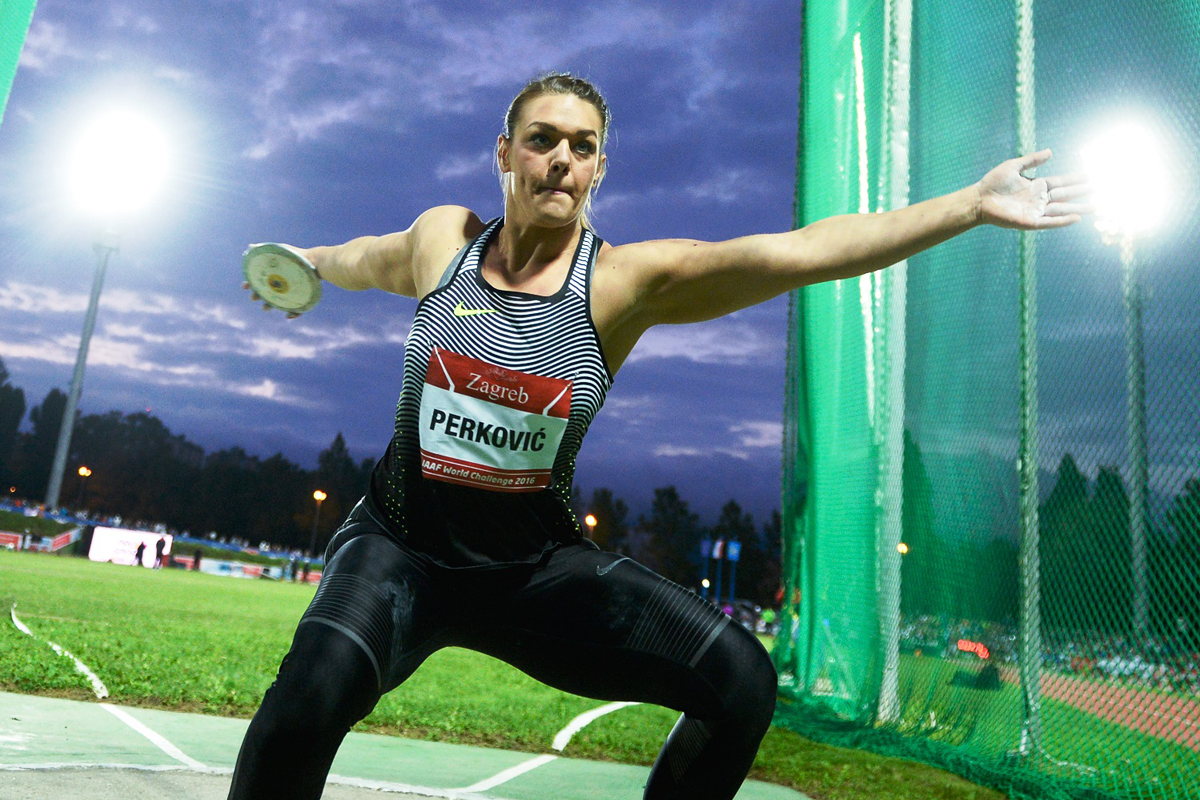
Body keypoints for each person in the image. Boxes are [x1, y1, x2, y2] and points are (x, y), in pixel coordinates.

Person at [229, 73, 1088, 800]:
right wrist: (302, 262)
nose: (561, 157)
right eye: (542, 139)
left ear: (601, 168)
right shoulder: (440, 242)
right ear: (504, 152)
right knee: (305, 702)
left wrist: (970, 205)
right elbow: (363, 257)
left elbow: (804, 251)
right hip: (399, 552)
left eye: (583, 145)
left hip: (530, 576)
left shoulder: (623, 283)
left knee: (742, 683)